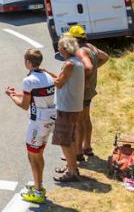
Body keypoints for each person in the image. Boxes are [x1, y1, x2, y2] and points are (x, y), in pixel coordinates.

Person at [6, 48, 56, 204]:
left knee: (33, 156)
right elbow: (36, 94)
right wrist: (19, 93)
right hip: (50, 119)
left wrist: (12, 96)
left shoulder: (28, 80)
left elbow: (24, 105)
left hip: (37, 122)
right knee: (39, 154)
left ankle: (39, 191)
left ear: (28, 62)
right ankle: (38, 185)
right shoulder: (47, 76)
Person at [69, 25, 109, 160]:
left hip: (82, 90)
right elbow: (105, 57)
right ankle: (87, 147)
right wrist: (94, 70)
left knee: (79, 121)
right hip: (90, 88)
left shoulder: (80, 51)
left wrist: (83, 78)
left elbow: (88, 67)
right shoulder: (91, 47)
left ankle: (78, 152)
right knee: (86, 118)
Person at [48, 35, 85, 183]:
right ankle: (71, 166)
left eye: (59, 47)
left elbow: (58, 83)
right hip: (74, 106)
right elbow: (61, 79)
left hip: (66, 107)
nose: (58, 49)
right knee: (70, 138)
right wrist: (49, 73)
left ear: (65, 48)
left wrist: (44, 76)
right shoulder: (78, 62)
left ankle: (72, 172)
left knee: (64, 140)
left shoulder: (69, 64)